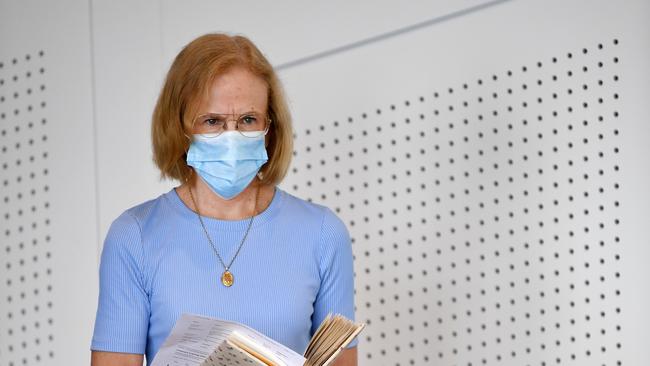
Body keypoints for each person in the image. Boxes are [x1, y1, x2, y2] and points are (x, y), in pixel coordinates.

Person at [90, 33, 358, 366]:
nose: (232, 136)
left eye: (248, 120)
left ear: (269, 128)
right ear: (180, 129)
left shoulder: (322, 233)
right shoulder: (133, 237)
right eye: (212, 121)